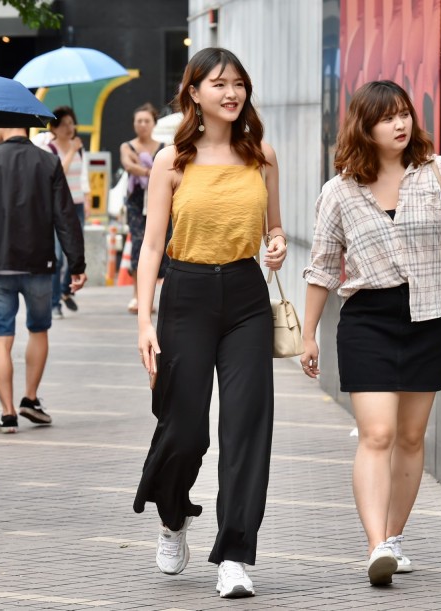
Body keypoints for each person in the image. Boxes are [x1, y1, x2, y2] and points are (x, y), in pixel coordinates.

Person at [300, 80, 441, 586]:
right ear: (364, 127)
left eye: (405, 113)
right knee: (378, 433)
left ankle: (393, 537)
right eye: (388, 117)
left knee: (411, 437)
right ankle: (375, 546)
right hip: (367, 319)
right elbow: (323, 267)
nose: (400, 124)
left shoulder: (440, 173)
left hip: (429, 316)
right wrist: (308, 335)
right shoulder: (340, 190)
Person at [133, 48, 286, 598]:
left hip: (246, 296)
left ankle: (235, 555)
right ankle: (173, 517)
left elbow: (275, 230)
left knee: (246, 425)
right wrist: (144, 321)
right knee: (185, 428)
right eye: (218, 83)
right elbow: (151, 246)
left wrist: (276, 248)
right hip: (187, 295)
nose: (231, 92)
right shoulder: (171, 161)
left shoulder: (262, 155)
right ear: (193, 92)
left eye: (239, 83)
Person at [0, 127, 87, 434]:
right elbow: (65, 216)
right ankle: (30, 399)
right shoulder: (48, 162)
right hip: (39, 263)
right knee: (38, 329)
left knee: (1, 338)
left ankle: (7, 413)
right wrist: (77, 263)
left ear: (2, 128)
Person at [42, 107, 91, 319]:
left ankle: (64, 290)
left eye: (72, 123)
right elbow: (57, 171)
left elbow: (84, 174)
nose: (69, 128)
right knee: (57, 256)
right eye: (64, 124)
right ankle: (54, 303)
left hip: (77, 204)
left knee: (75, 252)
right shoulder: (49, 148)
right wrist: (71, 150)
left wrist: (87, 198)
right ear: (54, 128)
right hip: (58, 206)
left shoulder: (79, 147)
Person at [120, 103, 165, 314]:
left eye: (147, 121)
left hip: (160, 201)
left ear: (154, 123)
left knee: (163, 246)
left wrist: (146, 170)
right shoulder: (127, 146)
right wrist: (151, 172)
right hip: (137, 203)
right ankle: (137, 297)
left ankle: (160, 296)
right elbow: (129, 166)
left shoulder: (164, 147)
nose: (143, 125)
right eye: (139, 121)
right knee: (138, 245)